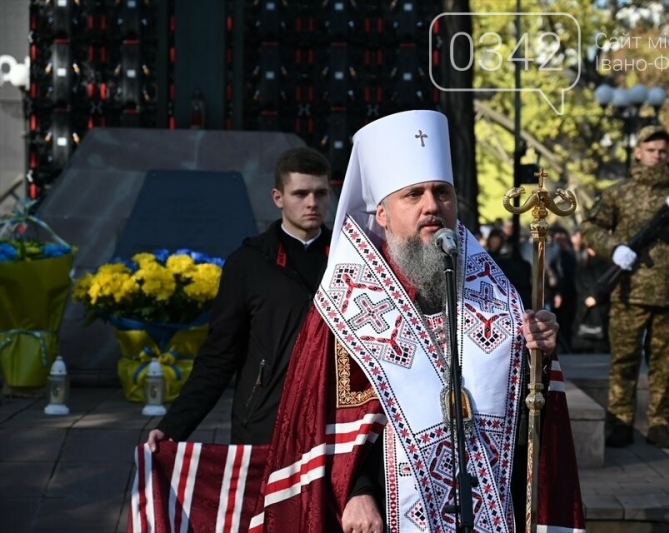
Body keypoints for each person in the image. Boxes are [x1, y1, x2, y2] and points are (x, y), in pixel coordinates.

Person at [256, 110, 584, 533]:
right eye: (413, 194)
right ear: (383, 214)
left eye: (442, 193)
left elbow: (524, 406)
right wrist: (357, 490)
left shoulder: (499, 290)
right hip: (390, 510)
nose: (433, 207)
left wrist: (540, 347)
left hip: (488, 502)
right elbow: (325, 419)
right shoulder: (346, 306)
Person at [145, 146, 333, 448]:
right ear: (278, 198)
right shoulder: (248, 263)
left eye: (320, 193)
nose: (312, 203)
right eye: (300, 194)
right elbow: (219, 355)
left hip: (334, 421)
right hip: (264, 422)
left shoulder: (347, 258)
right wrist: (173, 426)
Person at [580, 124, 669, 449]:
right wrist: (613, 248)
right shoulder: (618, 193)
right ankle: (620, 422)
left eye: (663, 151)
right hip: (628, 291)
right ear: (638, 151)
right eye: (651, 150)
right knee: (624, 360)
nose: (658, 156)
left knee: (664, 363)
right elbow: (589, 227)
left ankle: (660, 423)